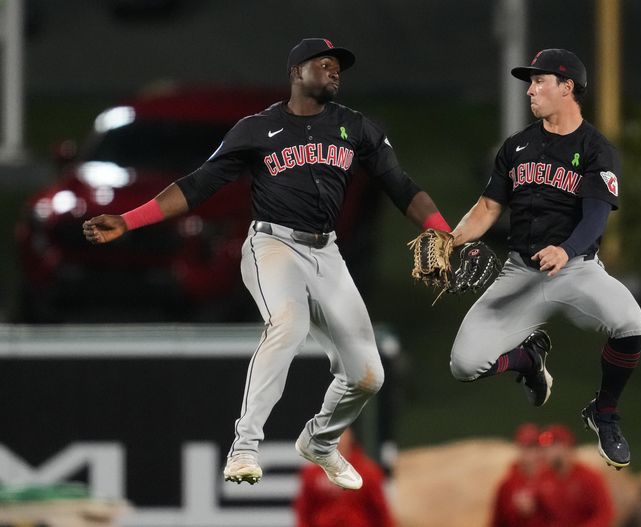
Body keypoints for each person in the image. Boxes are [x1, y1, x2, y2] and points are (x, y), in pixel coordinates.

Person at [82, 37, 452, 488]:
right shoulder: (257, 129)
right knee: (289, 324)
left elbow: (401, 185)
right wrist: (128, 219)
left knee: (368, 376)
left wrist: (442, 229)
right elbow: (197, 185)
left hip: (327, 253)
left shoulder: (357, 128)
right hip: (272, 246)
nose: (335, 72)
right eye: (325, 64)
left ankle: (319, 441)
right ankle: (244, 447)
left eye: (339, 67)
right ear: (297, 72)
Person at [448, 48, 641, 469]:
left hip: (575, 270)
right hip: (521, 271)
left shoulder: (596, 148)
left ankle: (605, 413)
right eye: (530, 82)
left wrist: (567, 249)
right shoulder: (517, 146)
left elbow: (596, 214)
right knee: (464, 364)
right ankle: (527, 358)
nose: (531, 90)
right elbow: (486, 208)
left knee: (631, 323)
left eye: (540, 81)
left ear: (567, 87)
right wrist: (450, 240)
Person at [293, 428, 394, 527]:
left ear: (350, 436)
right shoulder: (312, 473)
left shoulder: (368, 472)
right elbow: (304, 511)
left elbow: (381, 512)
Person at [538, 424, 615, 527]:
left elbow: (605, 513)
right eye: (545, 449)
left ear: (565, 447)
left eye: (552, 448)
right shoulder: (543, 477)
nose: (546, 453)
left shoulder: (589, 477)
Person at [490, 423, 553, 527]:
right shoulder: (508, 485)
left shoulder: (554, 478)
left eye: (538, 447)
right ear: (520, 449)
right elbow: (498, 521)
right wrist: (518, 512)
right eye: (529, 447)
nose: (535, 453)